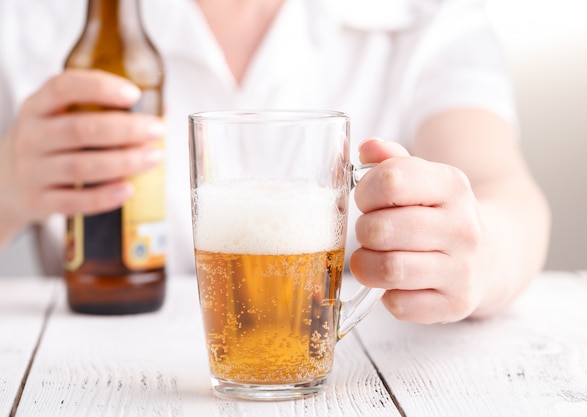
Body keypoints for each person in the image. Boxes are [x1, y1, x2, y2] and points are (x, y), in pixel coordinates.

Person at [0, 0, 550, 324]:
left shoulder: (425, 15)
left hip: (352, 370)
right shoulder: (31, 20)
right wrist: (9, 186)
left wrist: (474, 256)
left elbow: (504, 192)